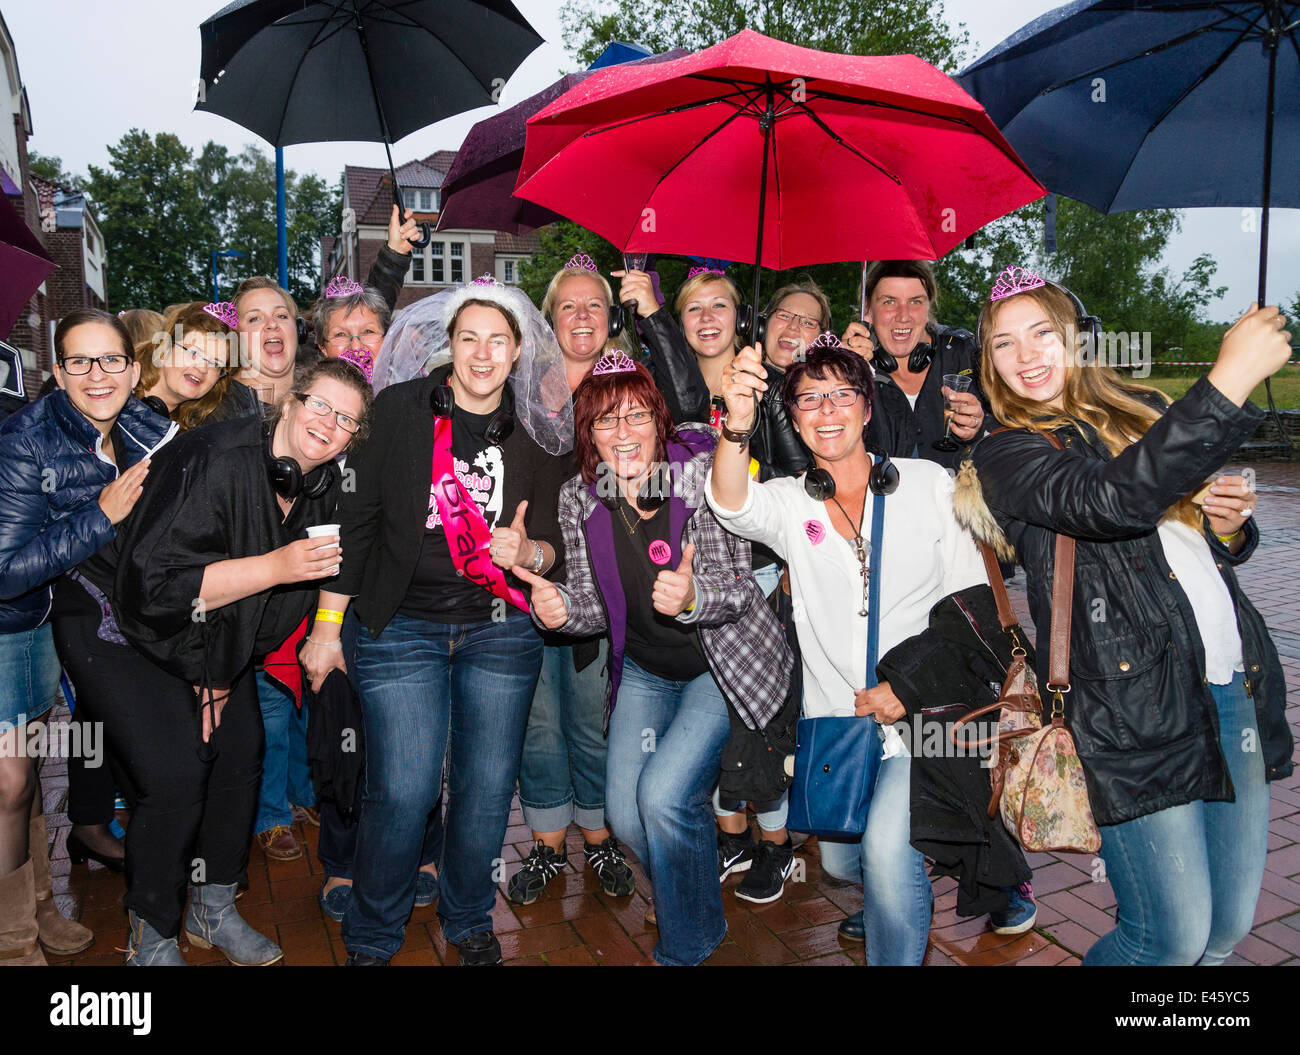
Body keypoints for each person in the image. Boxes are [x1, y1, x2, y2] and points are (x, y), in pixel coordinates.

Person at [963, 266, 1294, 965]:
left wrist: (1228, 527)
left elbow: (1189, 544)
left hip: (1228, 682)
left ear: (1075, 340)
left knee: (1228, 927)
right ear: (987, 364)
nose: (1026, 356)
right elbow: (1112, 502)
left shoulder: (1138, 410)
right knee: (1167, 936)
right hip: (1130, 710)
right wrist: (1227, 379)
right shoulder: (1006, 452)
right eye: (1004, 344)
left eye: (1042, 334)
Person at [300, 278, 573, 967]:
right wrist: (327, 628)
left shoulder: (540, 428)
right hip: (400, 629)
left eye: (498, 341)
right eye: (469, 338)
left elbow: (553, 542)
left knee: (485, 789)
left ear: (517, 352)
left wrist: (530, 551)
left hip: (500, 630)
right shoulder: (396, 411)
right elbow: (356, 523)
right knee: (405, 787)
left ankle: (469, 913)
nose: (483, 354)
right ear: (448, 346)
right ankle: (372, 929)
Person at [707, 337, 992, 965]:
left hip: (926, 713)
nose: (826, 410)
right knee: (841, 857)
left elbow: (974, 608)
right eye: (809, 399)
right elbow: (730, 503)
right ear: (795, 416)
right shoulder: (788, 499)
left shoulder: (928, 484)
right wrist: (737, 424)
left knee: (890, 851)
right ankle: (910, 886)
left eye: (842, 395)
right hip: (838, 719)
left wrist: (908, 687)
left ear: (867, 408)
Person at [80, 357, 369, 965]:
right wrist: (275, 569)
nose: (328, 423)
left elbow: (261, 615)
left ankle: (213, 909)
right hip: (116, 625)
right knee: (176, 774)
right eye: (319, 404)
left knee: (241, 755)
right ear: (289, 402)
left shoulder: (318, 488)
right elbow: (152, 588)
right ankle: (150, 932)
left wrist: (217, 673)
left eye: (346, 420)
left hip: (206, 639)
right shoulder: (215, 457)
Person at [515, 351, 793, 966]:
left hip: (718, 665)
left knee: (664, 797)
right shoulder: (578, 498)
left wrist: (695, 596)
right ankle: (695, 895)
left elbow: (746, 588)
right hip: (643, 669)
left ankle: (686, 943)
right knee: (624, 811)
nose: (624, 434)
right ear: (587, 433)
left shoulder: (701, 478)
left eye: (637, 416)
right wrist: (559, 608)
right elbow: (591, 605)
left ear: (658, 421)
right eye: (606, 421)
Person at [0, 308, 174, 964]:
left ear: (133, 368)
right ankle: (13, 939)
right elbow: (7, 570)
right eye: (79, 361)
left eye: (110, 360)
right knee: (11, 780)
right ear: (57, 370)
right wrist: (100, 516)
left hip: (55, 625)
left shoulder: (147, 427)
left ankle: (40, 903)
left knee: (29, 776)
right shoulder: (26, 439)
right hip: (9, 621)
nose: (96, 374)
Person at [496, 256, 662, 908]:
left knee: (593, 723)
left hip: (601, 590)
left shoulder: (627, 388)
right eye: (570, 304)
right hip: (529, 583)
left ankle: (597, 840)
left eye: (595, 303)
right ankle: (545, 843)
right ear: (550, 317)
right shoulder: (521, 389)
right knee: (537, 725)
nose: (584, 315)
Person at [841, 260, 987, 471]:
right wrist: (843, 376)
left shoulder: (965, 353)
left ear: (929, 307)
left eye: (915, 301)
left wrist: (979, 427)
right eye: (889, 302)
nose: (903, 316)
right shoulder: (852, 364)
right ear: (868, 310)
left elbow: (1013, 422)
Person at [134, 301, 236, 427]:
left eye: (215, 364)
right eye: (194, 352)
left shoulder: (198, 426)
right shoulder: (119, 398)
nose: (203, 368)